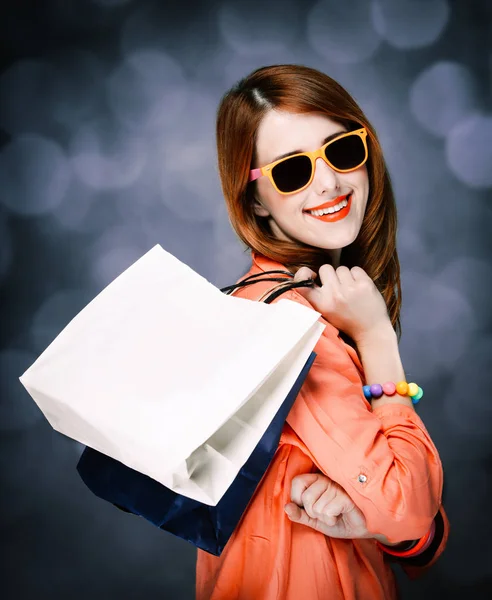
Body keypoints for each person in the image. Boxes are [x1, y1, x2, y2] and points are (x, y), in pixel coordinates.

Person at [196, 64, 449, 600]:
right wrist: (377, 336)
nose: (330, 182)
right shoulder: (291, 324)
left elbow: (418, 537)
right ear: (256, 201)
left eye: (341, 151)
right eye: (292, 171)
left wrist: (371, 515)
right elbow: (409, 510)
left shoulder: (301, 302)